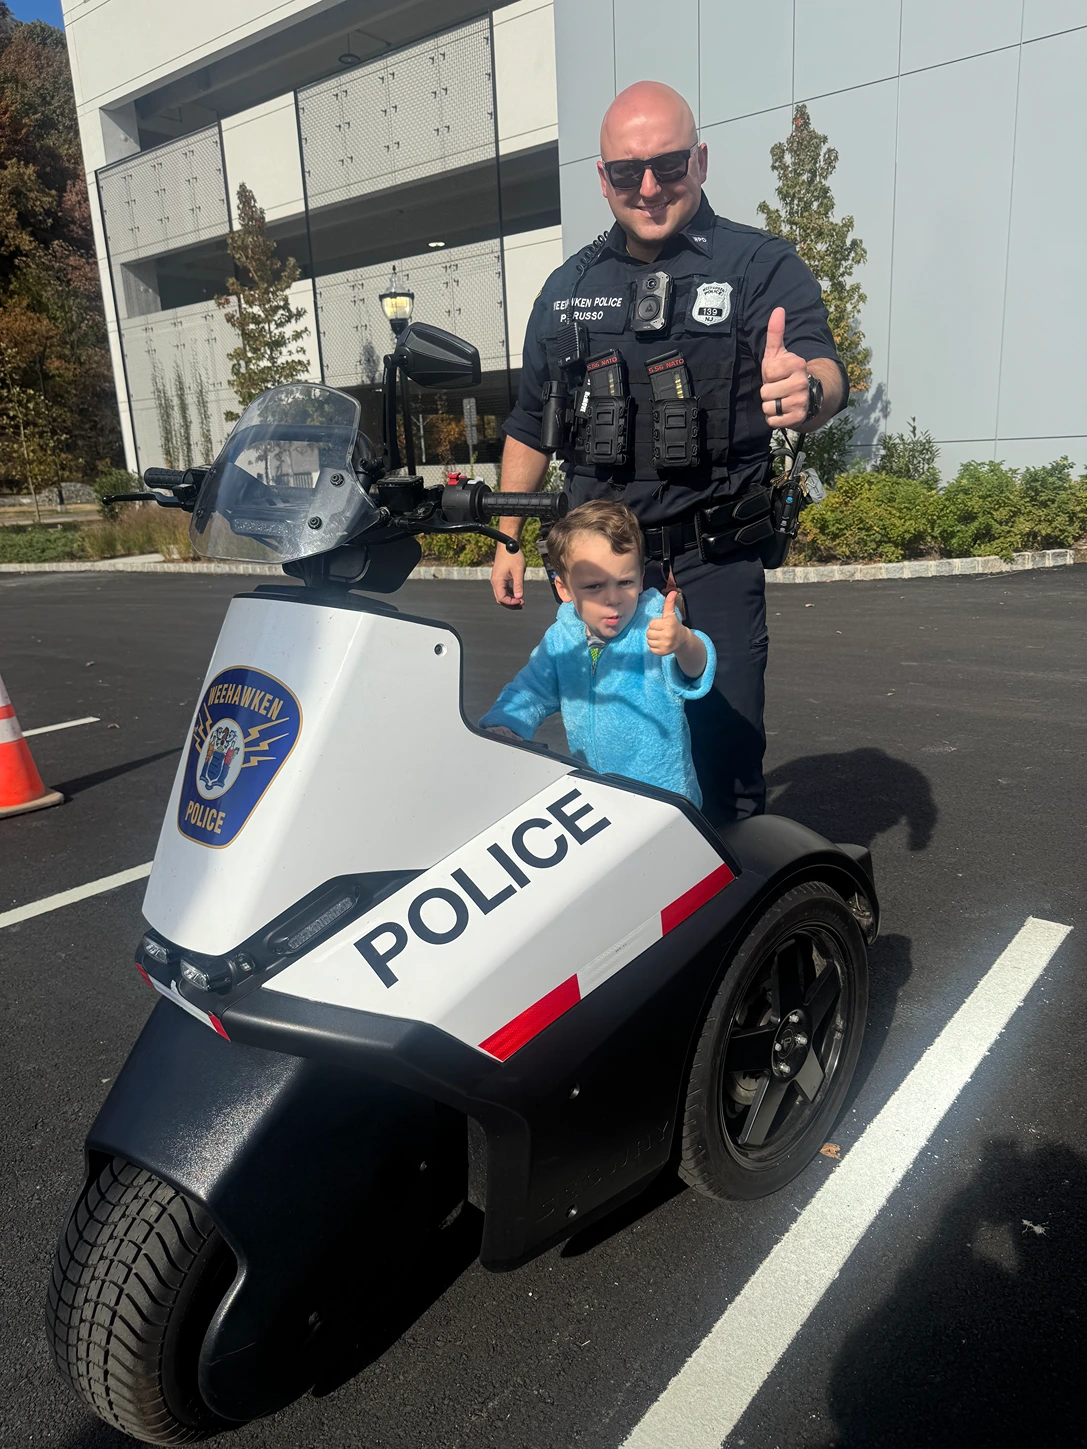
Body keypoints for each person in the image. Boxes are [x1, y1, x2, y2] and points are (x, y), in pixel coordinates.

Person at [489, 80, 847, 825]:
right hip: (603, 569)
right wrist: (508, 536)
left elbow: (820, 365)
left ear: (701, 161)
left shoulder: (759, 266)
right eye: (626, 172)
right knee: (615, 753)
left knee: (726, 760)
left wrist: (805, 391)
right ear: (602, 177)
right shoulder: (566, 289)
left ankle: (740, 928)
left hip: (714, 559)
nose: (648, 188)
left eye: (669, 165)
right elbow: (530, 421)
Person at [480, 500, 715, 807]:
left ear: (642, 578)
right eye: (594, 586)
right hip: (597, 796)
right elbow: (530, 691)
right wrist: (504, 724)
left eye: (626, 582)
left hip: (663, 802)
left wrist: (684, 642)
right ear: (564, 589)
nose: (613, 598)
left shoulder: (656, 625)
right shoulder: (562, 638)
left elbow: (695, 668)